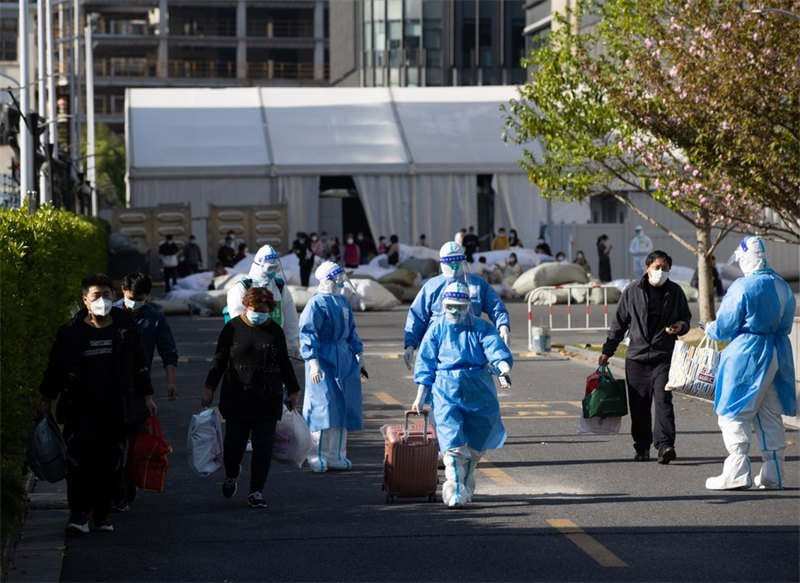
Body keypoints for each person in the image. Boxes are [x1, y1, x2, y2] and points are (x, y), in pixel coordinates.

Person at [39, 273, 157, 534]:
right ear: (85, 300)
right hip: (80, 408)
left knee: (110, 462)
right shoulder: (70, 333)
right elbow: (55, 368)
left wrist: (147, 397)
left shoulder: (126, 328)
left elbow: (139, 365)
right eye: (96, 296)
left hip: (116, 407)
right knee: (79, 462)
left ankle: (102, 515)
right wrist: (47, 399)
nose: (102, 300)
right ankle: (79, 515)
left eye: (107, 295)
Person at [704, 236, 796, 491]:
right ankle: (773, 474)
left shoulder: (743, 286)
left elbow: (724, 326)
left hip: (748, 353)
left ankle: (736, 472)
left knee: (733, 412)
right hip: (777, 352)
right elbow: (787, 323)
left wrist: (711, 329)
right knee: (769, 413)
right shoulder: (781, 285)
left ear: (745, 257)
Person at [412, 281, 512, 508]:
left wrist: (503, 366)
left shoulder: (481, 327)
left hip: (479, 389)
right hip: (446, 390)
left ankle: (465, 483)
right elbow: (426, 361)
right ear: (443, 305)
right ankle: (454, 490)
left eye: (459, 307)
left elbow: (494, 347)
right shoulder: (437, 328)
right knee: (453, 445)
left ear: (468, 306)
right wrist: (421, 393)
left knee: (476, 445)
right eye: (450, 307)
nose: (455, 312)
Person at [201, 287, 301, 508]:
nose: (260, 314)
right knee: (233, 447)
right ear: (246, 306)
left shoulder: (275, 331)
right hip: (237, 399)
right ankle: (232, 473)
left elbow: (284, 362)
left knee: (263, 446)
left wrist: (293, 390)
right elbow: (219, 360)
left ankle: (256, 491)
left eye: (264, 311)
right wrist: (209, 388)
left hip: (268, 399)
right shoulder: (232, 328)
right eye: (256, 309)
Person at [598, 250, 691, 464]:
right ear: (647, 267)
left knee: (664, 401)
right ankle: (642, 447)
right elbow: (619, 324)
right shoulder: (632, 291)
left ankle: (665, 446)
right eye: (657, 267)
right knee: (639, 405)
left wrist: (680, 326)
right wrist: (607, 351)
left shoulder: (675, 292)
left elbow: (685, 318)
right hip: (637, 358)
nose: (660, 271)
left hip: (664, 356)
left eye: (665, 268)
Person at [112, 272, 179, 511]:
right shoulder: (110, 314)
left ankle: (125, 489)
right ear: (123, 290)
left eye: (140, 299)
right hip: (110, 387)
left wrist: (171, 382)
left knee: (133, 442)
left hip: (139, 389)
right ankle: (114, 489)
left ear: (147, 296)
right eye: (132, 298)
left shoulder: (155, 318)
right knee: (112, 441)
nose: (135, 303)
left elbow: (168, 351)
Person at [299, 261, 367, 473]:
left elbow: (351, 331)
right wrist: (313, 362)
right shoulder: (316, 303)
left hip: (344, 359)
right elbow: (308, 333)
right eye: (337, 279)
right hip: (323, 359)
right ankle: (316, 454)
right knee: (323, 407)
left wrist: (359, 353)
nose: (341, 282)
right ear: (327, 280)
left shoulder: (343, 302)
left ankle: (337, 455)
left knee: (342, 407)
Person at [403, 241, 511, 370]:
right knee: (437, 379)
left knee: (473, 376)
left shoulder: (477, 284)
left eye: (457, 261)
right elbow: (417, 316)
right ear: (442, 263)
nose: (454, 266)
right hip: (438, 346)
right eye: (450, 262)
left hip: (471, 344)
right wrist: (410, 343)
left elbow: (495, 306)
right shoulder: (431, 286)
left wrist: (503, 325)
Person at [226, 244, 300, 355]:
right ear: (258, 266)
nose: (273, 272)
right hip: (250, 346)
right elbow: (237, 321)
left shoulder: (279, 286)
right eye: (270, 268)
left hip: (276, 343)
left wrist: (294, 341)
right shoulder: (242, 288)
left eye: (275, 268)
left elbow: (289, 313)